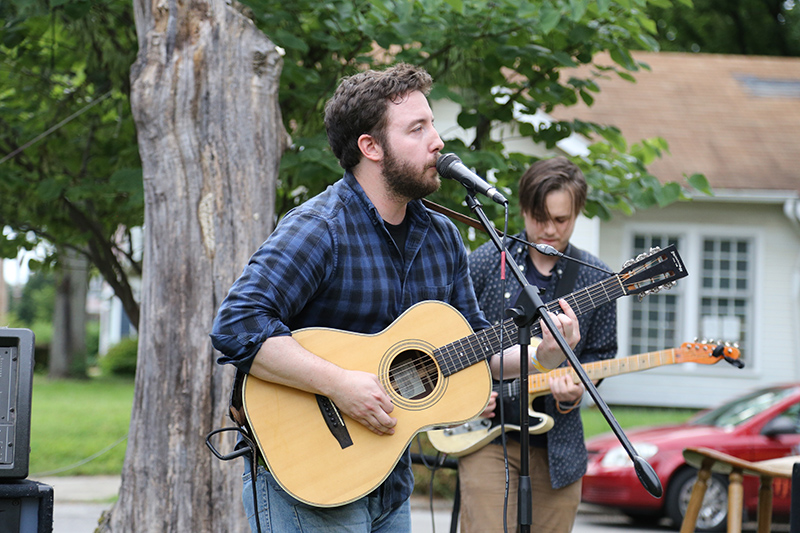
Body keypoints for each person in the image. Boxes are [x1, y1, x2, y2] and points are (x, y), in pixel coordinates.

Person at [209, 64, 581, 533]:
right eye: (417, 128)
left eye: (433, 125)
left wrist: (540, 353)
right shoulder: (320, 228)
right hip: (309, 478)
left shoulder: (442, 236)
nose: (438, 141)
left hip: (387, 475)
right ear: (371, 147)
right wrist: (340, 384)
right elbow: (237, 325)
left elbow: (475, 346)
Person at [458, 157, 618, 533]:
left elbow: (601, 354)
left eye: (561, 220)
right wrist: (469, 395)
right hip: (485, 439)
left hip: (559, 448)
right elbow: (454, 339)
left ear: (577, 213)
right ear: (523, 209)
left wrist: (575, 392)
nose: (548, 230)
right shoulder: (484, 262)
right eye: (538, 218)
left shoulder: (598, 281)